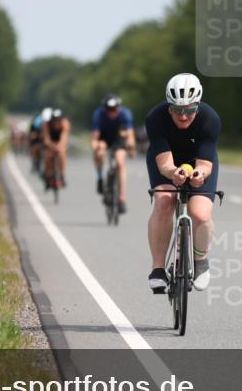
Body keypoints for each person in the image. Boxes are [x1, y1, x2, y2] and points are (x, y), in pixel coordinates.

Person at [146, 73, 221, 293]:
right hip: (166, 161)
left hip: (199, 161)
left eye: (189, 109)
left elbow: (205, 164)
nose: (184, 116)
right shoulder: (155, 118)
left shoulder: (210, 118)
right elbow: (164, 164)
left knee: (200, 214)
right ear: (169, 107)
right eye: (177, 110)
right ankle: (158, 269)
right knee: (164, 200)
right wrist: (173, 173)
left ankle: (201, 260)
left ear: (198, 105)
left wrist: (199, 174)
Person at [91, 94, 135, 213]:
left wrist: (131, 148)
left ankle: (121, 197)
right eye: (109, 110)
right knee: (99, 152)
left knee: (120, 161)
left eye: (114, 109)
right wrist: (96, 148)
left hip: (118, 138)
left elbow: (130, 135)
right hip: (104, 138)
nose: (112, 112)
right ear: (104, 108)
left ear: (119, 107)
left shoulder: (125, 114)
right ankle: (100, 178)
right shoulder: (98, 114)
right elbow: (95, 137)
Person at [42, 107, 70, 190]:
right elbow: (46, 138)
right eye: (55, 120)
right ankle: (48, 174)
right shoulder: (46, 124)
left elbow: (64, 137)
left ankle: (61, 174)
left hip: (60, 141)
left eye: (58, 120)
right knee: (48, 156)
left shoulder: (65, 123)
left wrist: (59, 146)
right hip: (51, 141)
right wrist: (52, 146)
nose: (57, 122)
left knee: (62, 154)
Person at [28, 107, 50, 174]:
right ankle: (34, 164)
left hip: (48, 140)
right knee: (35, 149)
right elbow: (32, 132)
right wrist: (34, 135)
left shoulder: (52, 122)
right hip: (38, 139)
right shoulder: (37, 122)